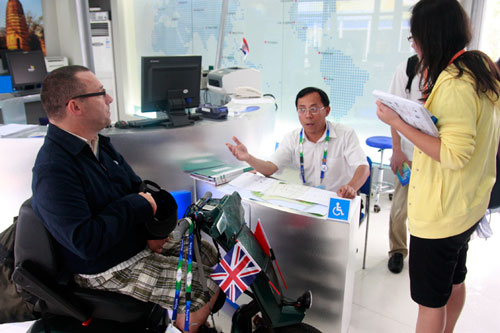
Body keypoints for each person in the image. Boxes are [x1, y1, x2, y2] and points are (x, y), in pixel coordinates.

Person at [31, 65, 219, 332]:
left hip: (132, 245)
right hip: (102, 268)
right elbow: (85, 241)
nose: (109, 99)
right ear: (75, 107)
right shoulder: (54, 169)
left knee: (207, 253)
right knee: (203, 288)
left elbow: (137, 189)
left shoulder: (98, 144)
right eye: (101, 93)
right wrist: (138, 206)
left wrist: (155, 227)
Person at [376, 1, 500, 332]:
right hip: (468, 204)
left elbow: (454, 155)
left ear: (430, 36)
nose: (413, 44)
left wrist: (398, 123)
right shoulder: (479, 68)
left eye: (415, 37)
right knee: (454, 282)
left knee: (429, 303)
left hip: (442, 215)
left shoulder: (455, 83)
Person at [226, 87, 370, 199]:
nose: (308, 115)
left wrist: (351, 188)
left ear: (327, 110)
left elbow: (363, 167)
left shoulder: (345, 134)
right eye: (302, 110)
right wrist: (248, 158)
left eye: (313, 109)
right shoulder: (292, 138)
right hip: (309, 200)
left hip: (339, 199)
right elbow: (270, 168)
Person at [386, 55, 422, 274]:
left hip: (437, 154)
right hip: (408, 153)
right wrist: (397, 150)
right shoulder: (407, 68)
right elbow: (393, 112)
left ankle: (423, 252)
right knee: (400, 208)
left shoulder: (451, 70)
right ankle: (397, 250)